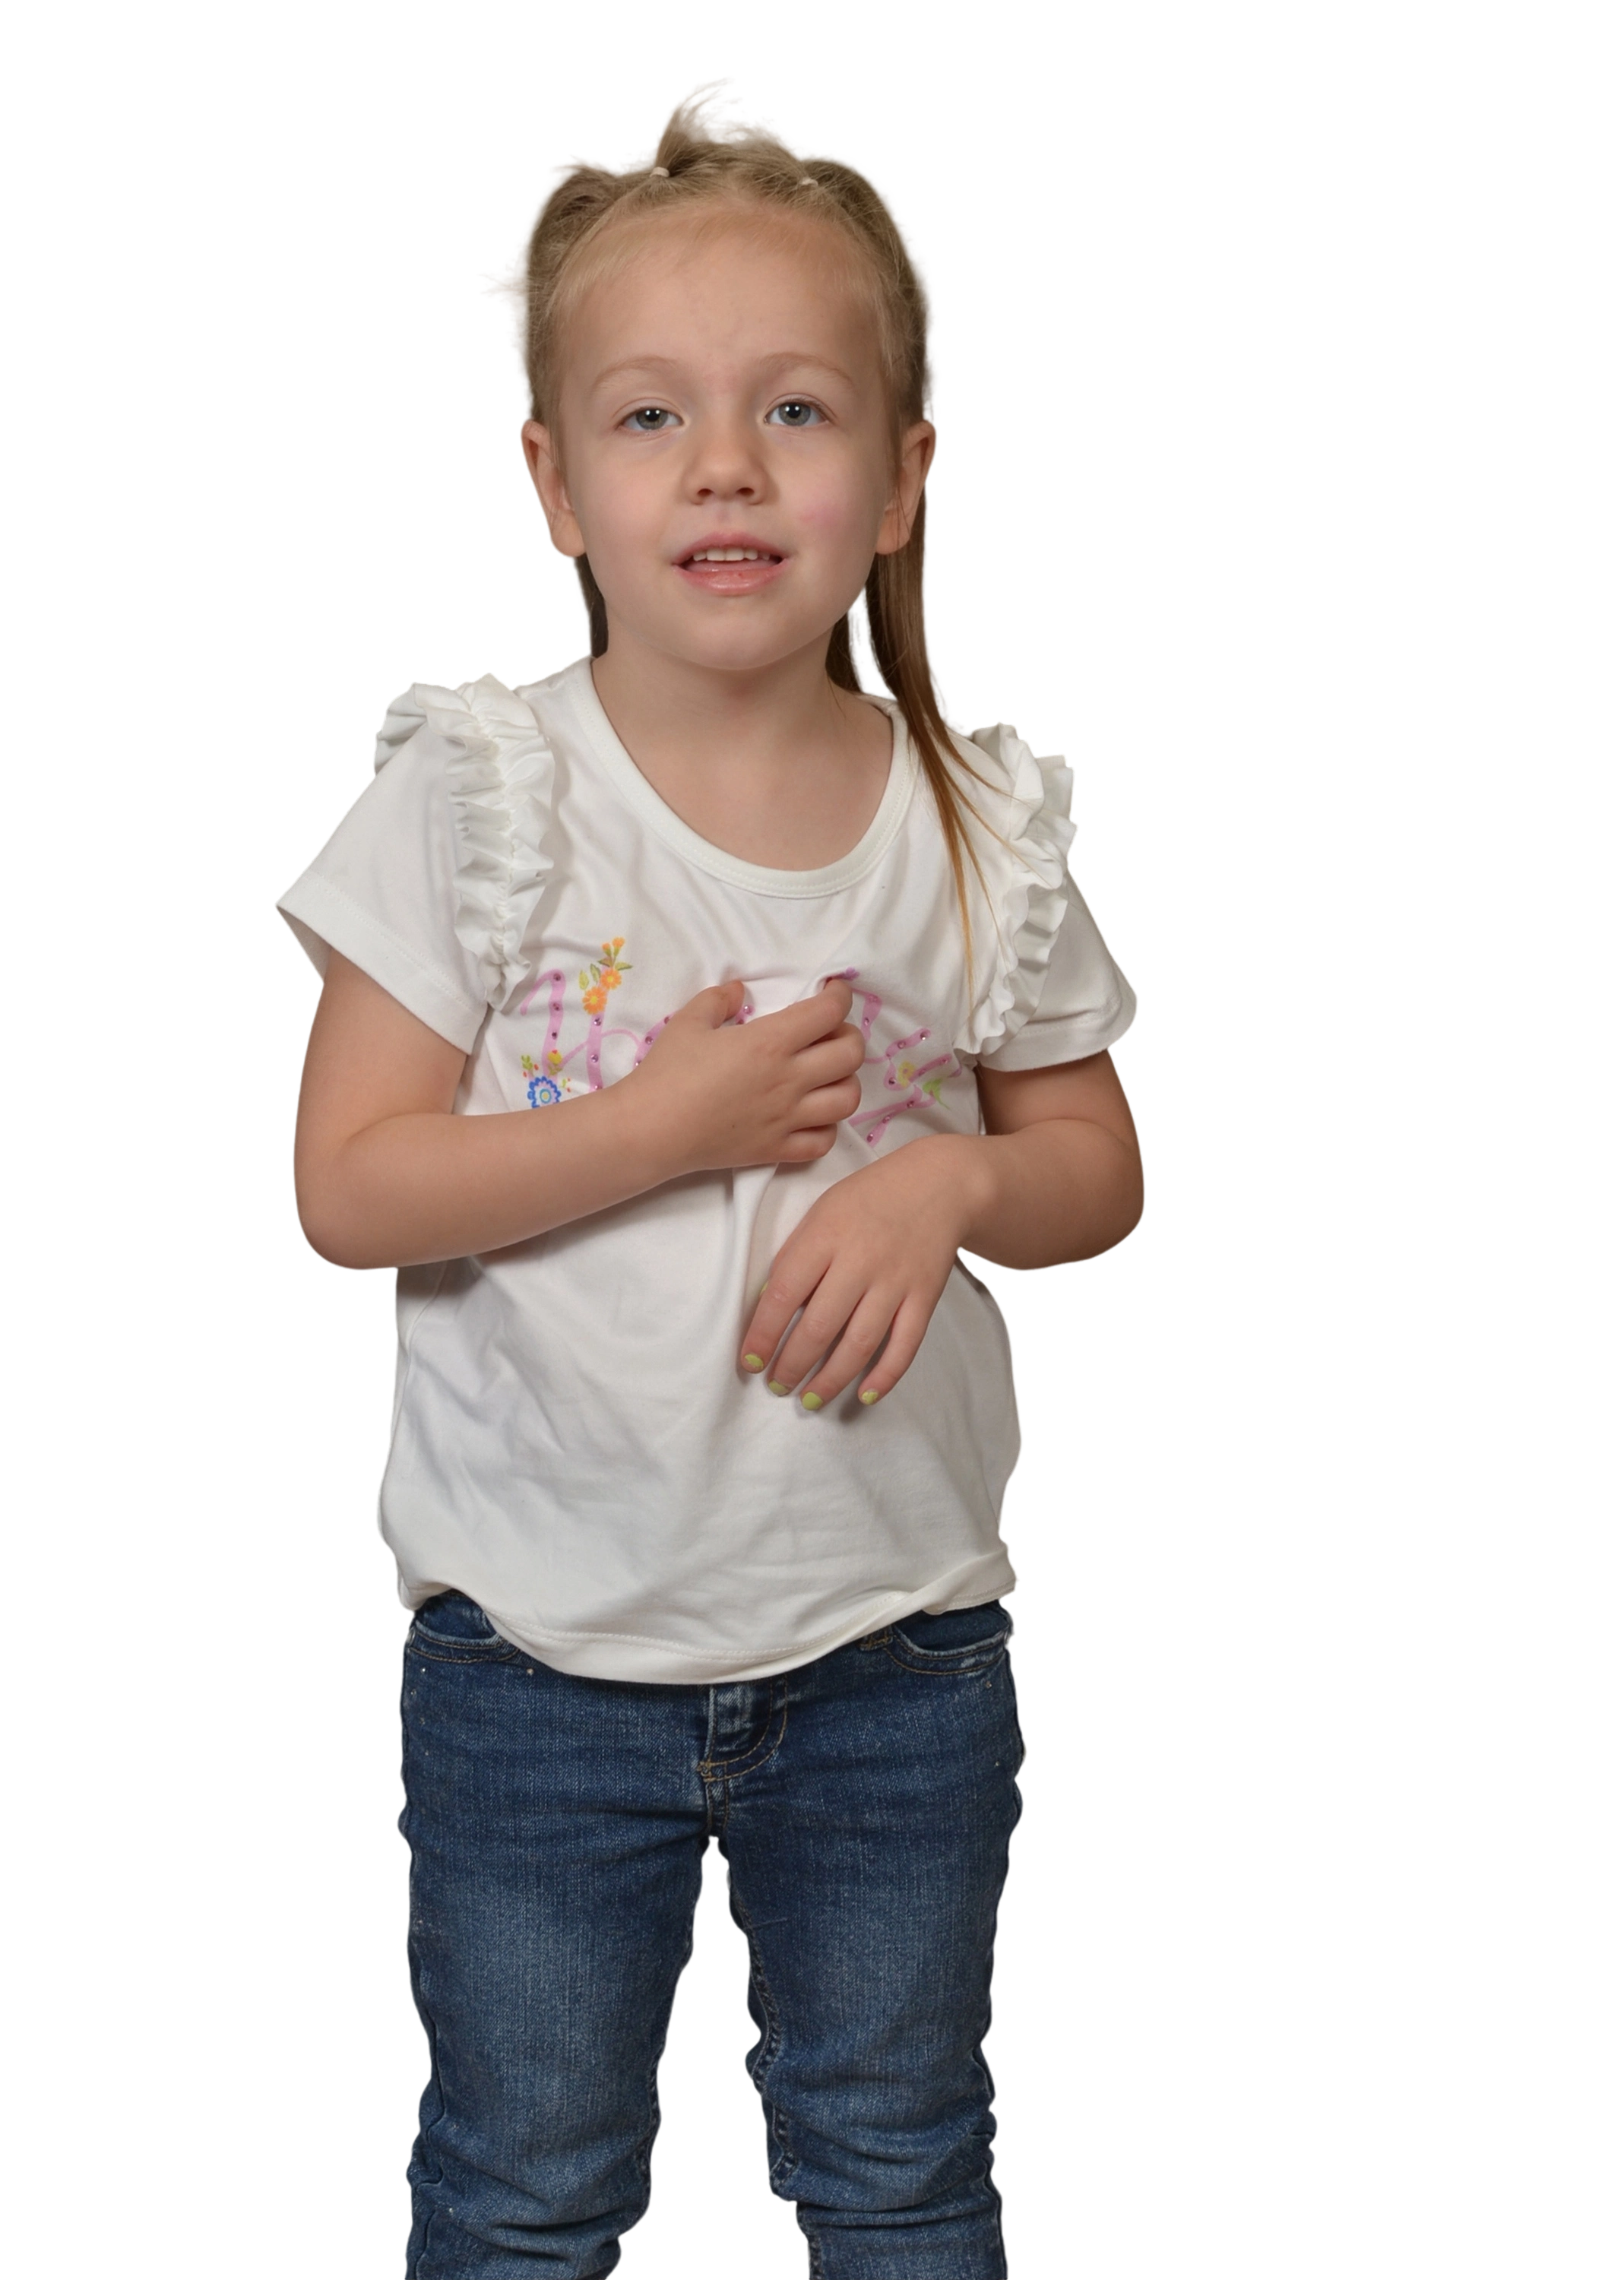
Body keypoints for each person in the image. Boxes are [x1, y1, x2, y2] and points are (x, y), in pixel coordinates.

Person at [273, 74, 1147, 2280]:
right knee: (530, 2187)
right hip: (539, 1659)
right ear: (554, 482)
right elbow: (350, 1191)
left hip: (898, 1651)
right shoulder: (482, 793)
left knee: (901, 2168)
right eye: (653, 416)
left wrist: (948, 1192)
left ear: (904, 476)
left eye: (795, 409)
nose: (728, 465)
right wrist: (658, 1131)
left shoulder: (981, 817)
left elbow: (1093, 1166)